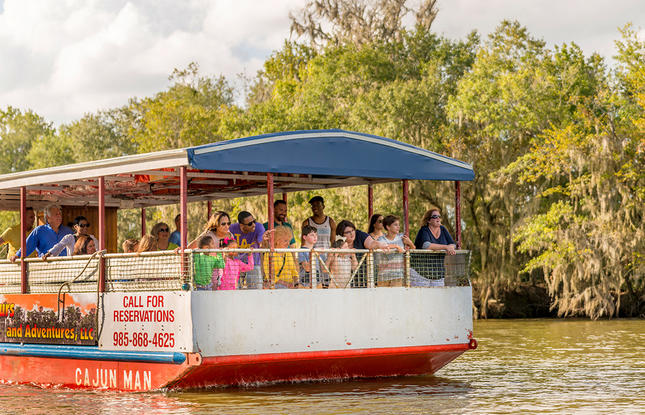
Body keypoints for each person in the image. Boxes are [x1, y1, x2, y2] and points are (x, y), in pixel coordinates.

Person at [376, 215, 430, 287]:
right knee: (383, 297)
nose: (398, 227)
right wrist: (396, 246)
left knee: (396, 297)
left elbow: (413, 249)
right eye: (395, 225)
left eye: (398, 225)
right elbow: (382, 246)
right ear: (388, 227)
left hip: (398, 275)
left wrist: (410, 243)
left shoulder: (401, 238)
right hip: (383, 276)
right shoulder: (381, 239)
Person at [414, 208, 456, 283]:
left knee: (438, 294)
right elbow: (426, 245)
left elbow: (452, 244)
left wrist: (451, 248)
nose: (438, 218)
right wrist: (446, 247)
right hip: (421, 272)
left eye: (439, 216)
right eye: (435, 216)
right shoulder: (424, 230)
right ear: (428, 220)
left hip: (438, 273)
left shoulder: (443, 229)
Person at [229, 211, 265, 289]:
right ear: (241, 225)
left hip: (253, 262)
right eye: (250, 224)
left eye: (254, 221)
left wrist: (265, 240)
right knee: (234, 289)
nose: (253, 225)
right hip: (236, 263)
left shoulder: (259, 227)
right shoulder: (232, 228)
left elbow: (261, 244)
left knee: (255, 290)